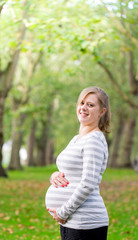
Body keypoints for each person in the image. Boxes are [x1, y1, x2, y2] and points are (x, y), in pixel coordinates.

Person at [45, 86, 111, 240]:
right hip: (72, 222)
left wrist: (63, 212)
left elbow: (88, 183)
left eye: (90, 105)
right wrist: (54, 176)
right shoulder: (77, 139)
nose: (84, 108)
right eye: (82, 103)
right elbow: (69, 170)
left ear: (102, 111)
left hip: (85, 223)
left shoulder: (94, 140)